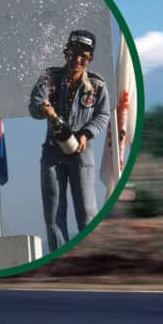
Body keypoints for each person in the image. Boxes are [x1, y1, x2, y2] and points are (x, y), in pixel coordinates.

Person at [29, 30, 110, 252]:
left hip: (82, 153)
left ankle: (90, 258)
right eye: (73, 54)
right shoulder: (49, 77)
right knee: (54, 213)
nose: (77, 60)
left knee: (87, 211)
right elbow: (34, 105)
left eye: (83, 56)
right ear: (66, 53)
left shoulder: (97, 85)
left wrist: (86, 134)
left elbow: (103, 115)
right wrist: (44, 109)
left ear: (90, 59)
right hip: (53, 152)